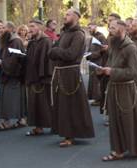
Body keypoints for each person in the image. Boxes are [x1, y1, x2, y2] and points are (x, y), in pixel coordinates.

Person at [101, 20, 137, 161]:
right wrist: (103, 70)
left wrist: (113, 71)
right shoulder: (114, 45)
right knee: (115, 121)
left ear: (122, 30)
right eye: (109, 28)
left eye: (113, 28)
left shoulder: (131, 48)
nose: (110, 31)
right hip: (114, 87)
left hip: (126, 90)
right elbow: (110, 63)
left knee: (129, 121)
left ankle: (136, 148)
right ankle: (118, 149)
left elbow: (133, 72)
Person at [49, 9, 95, 147]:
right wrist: (56, 51)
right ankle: (65, 132)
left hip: (70, 74)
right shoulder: (64, 33)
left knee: (71, 105)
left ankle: (71, 135)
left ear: (76, 17)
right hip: (60, 73)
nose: (65, 16)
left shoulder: (78, 34)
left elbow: (71, 55)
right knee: (63, 105)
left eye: (68, 14)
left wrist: (56, 51)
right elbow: (50, 52)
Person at [0, 22, 27, 130]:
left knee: (12, 99)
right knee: (8, 98)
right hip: (6, 74)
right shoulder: (6, 41)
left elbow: (16, 58)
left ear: (11, 29)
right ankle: (19, 120)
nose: (1, 30)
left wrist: (2, 63)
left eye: (4, 28)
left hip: (14, 76)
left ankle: (11, 121)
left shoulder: (16, 41)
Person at [25, 19, 53, 136]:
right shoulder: (32, 42)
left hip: (42, 78)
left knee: (45, 104)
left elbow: (47, 60)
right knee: (35, 104)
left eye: (32, 26)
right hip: (32, 77)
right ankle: (38, 127)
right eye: (29, 26)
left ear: (40, 28)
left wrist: (43, 77)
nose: (30, 29)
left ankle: (54, 126)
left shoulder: (46, 41)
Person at [86, 22, 107, 106]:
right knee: (92, 80)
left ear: (95, 27)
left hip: (98, 61)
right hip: (92, 61)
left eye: (90, 27)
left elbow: (103, 49)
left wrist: (94, 54)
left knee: (97, 81)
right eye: (88, 28)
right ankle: (95, 98)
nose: (89, 29)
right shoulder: (92, 37)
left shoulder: (101, 36)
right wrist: (87, 54)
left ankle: (99, 99)